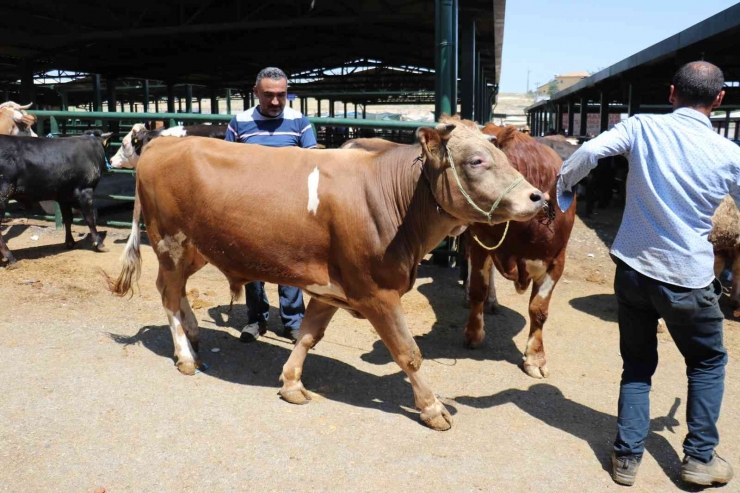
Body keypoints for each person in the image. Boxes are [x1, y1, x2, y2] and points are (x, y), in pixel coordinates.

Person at [557, 61, 740, 488]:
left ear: (672, 92)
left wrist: (564, 186)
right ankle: (698, 459)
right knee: (708, 361)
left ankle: (626, 459)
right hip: (688, 278)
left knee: (637, 365)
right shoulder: (731, 154)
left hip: (634, 272)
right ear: (718, 100)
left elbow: (586, 153)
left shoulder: (641, 127)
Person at [225, 67, 317, 343]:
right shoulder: (239, 123)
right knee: (252, 265)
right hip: (250, 210)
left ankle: (293, 321)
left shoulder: (299, 121)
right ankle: (256, 319)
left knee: (290, 266)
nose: (276, 102)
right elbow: (226, 167)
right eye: (268, 95)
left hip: (291, 209)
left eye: (281, 95)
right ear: (256, 93)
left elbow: (314, 165)